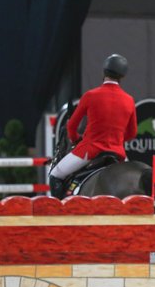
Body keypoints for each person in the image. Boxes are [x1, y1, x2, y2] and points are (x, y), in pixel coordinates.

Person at [48, 54, 137, 198]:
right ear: (122, 76)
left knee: (55, 174)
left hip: (90, 151)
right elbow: (132, 133)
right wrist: (116, 140)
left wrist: (76, 139)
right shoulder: (129, 100)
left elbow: (71, 126)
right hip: (117, 153)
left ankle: (59, 210)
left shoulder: (90, 95)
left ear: (104, 72)